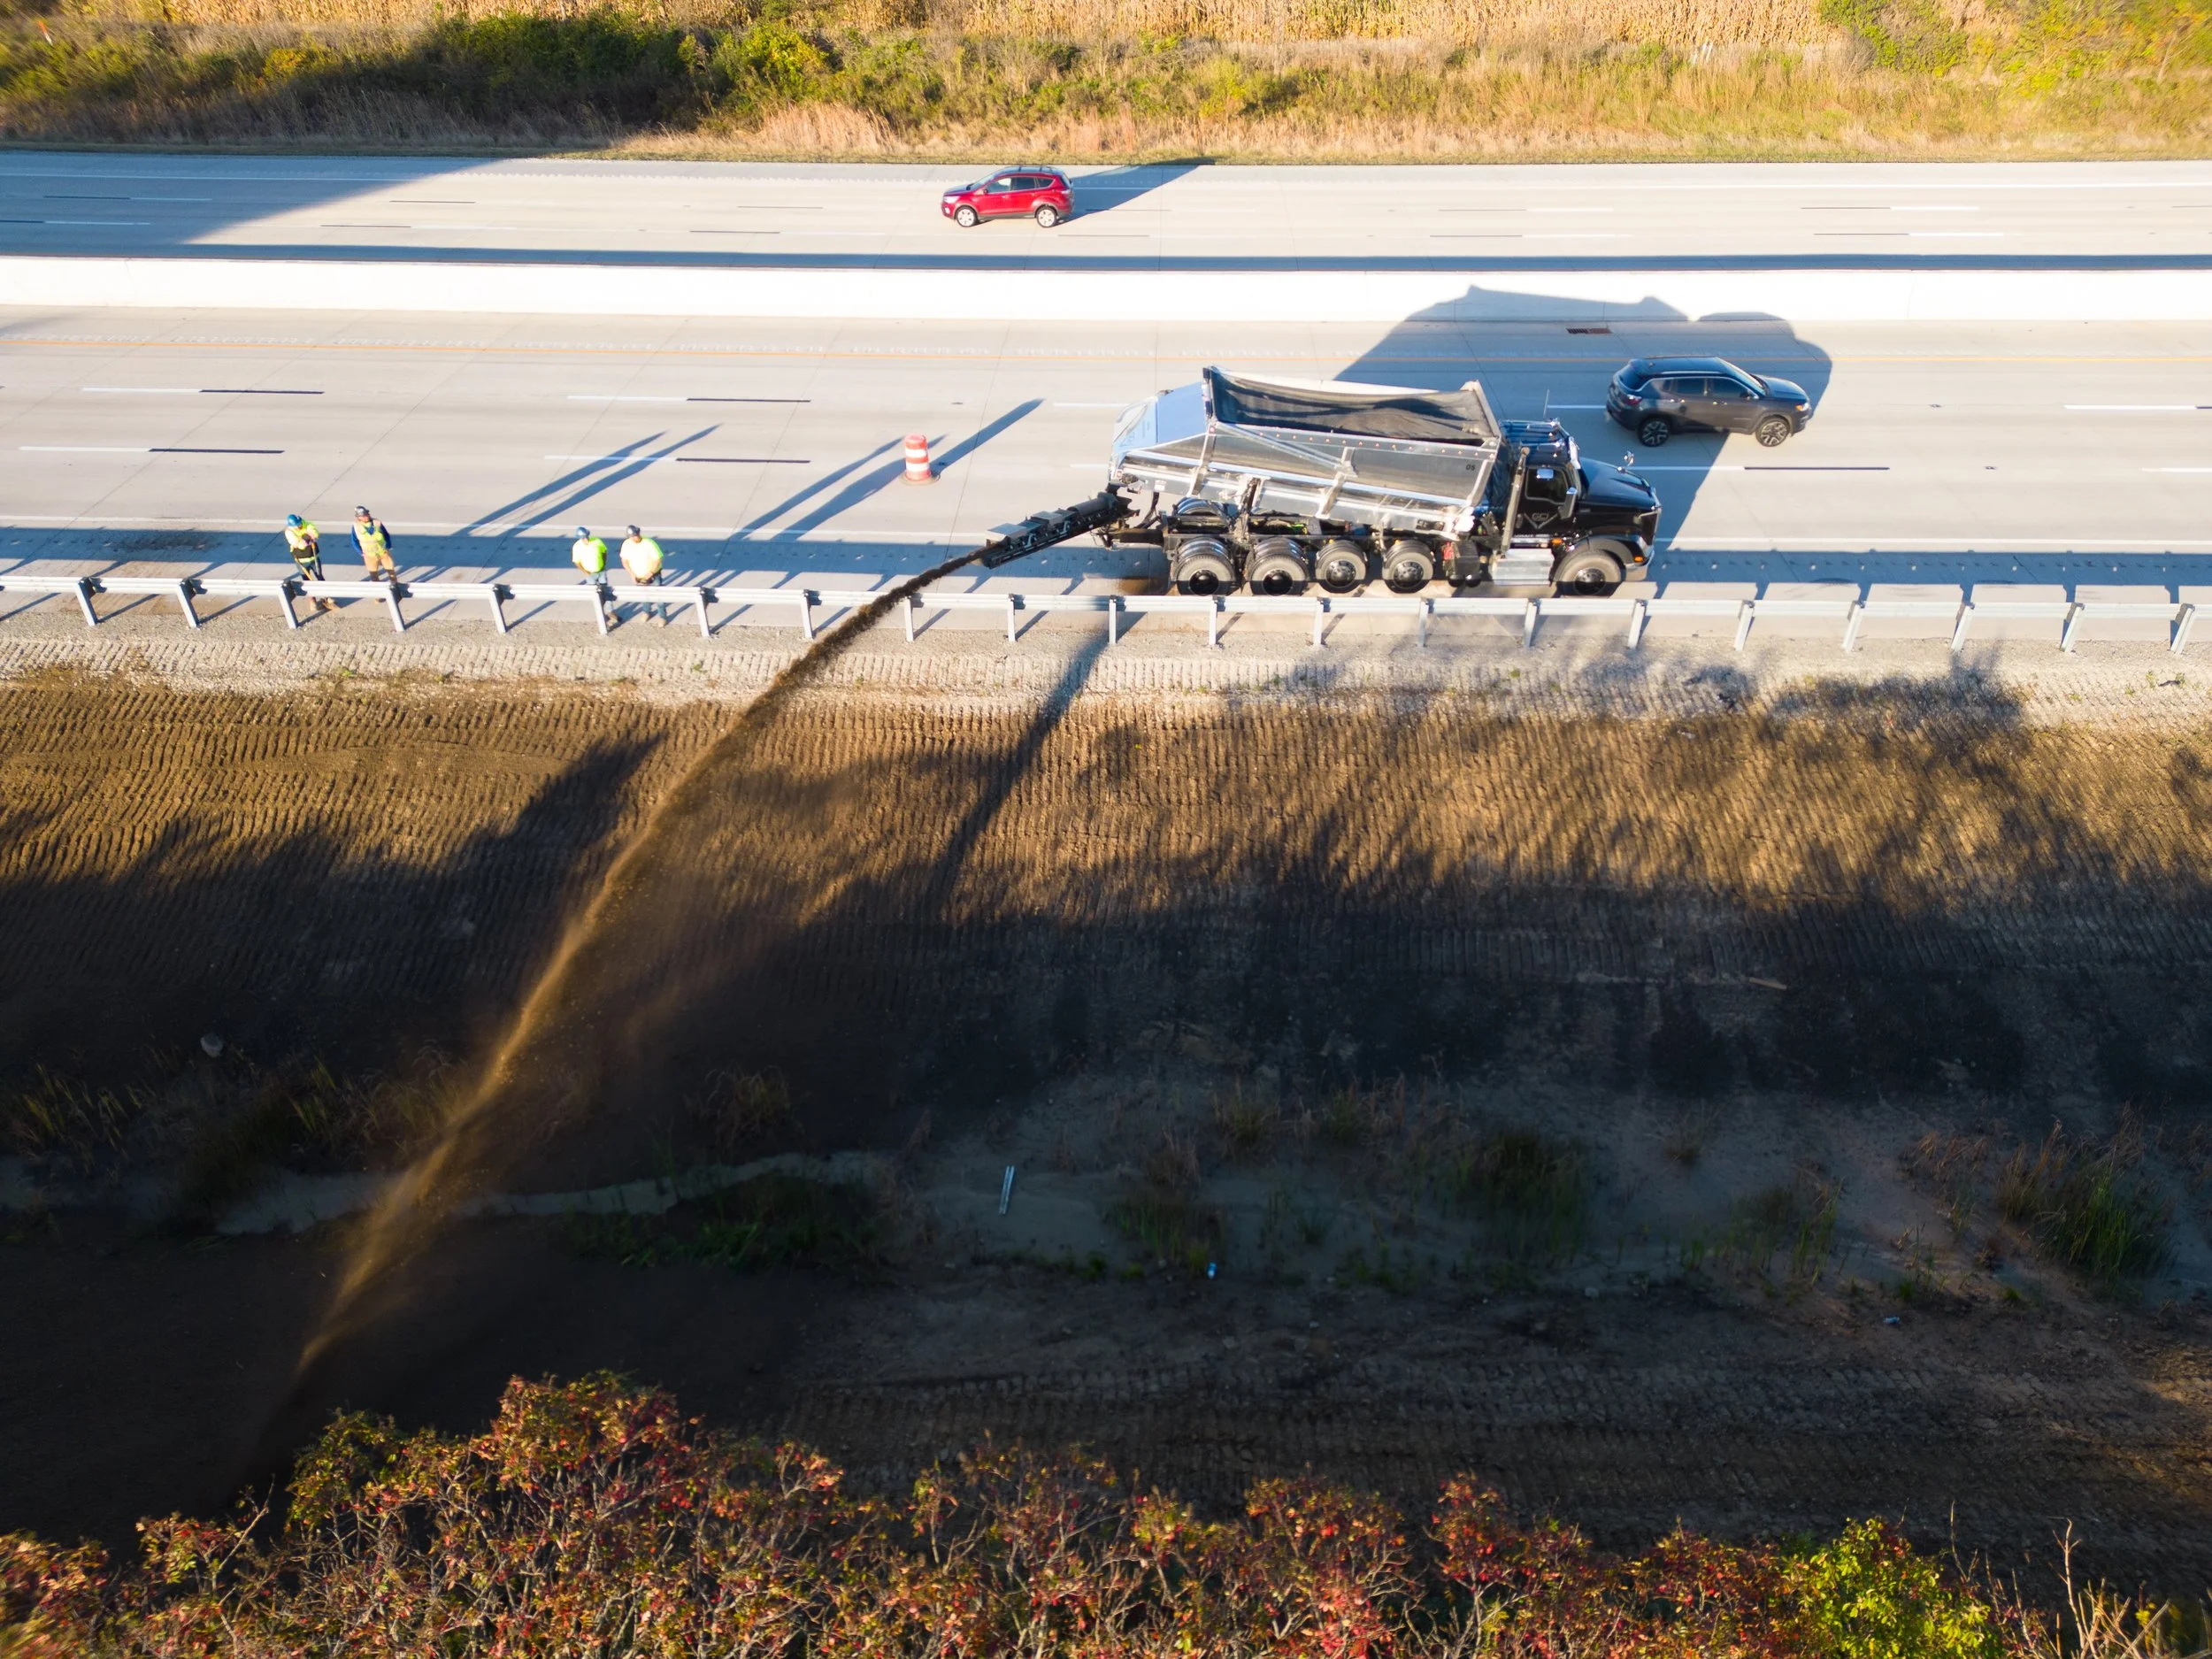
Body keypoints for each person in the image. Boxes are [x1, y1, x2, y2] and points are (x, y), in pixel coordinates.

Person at [283, 513, 334, 612]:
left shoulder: (306, 523)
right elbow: (299, 544)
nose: (300, 525)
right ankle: (313, 602)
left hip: (314, 557)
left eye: (300, 523)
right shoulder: (289, 532)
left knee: (320, 576)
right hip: (301, 561)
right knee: (307, 581)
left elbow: (315, 533)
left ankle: (327, 597)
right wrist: (308, 538)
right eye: (298, 525)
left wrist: (305, 539)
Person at [619, 523, 667, 626]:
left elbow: (658, 559)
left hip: (653, 575)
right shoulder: (627, 544)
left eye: (635, 536)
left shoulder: (649, 543)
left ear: (639, 533)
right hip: (638, 576)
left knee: (659, 596)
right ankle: (646, 612)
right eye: (631, 537)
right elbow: (625, 561)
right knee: (645, 596)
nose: (633, 538)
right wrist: (631, 574)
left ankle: (662, 616)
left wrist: (651, 572)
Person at [571, 525, 612, 626]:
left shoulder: (597, 541)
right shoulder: (577, 546)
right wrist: (586, 573)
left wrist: (603, 564)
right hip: (590, 574)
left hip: (601, 571)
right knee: (595, 594)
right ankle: (601, 613)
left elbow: (604, 552)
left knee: (606, 592)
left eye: (586, 537)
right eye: (583, 538)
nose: (585, 539)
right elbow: (577, 562)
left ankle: (610, 611)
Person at [351, 506, 396, 580]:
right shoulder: (356, 526)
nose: (366, 517)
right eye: (363, 516)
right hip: (369, 555)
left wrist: (388, 546)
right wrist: (361, 553)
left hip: (383, 553)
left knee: (391, 573)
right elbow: (354, 541)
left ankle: (395, 588)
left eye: (367, 514)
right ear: (359, 518)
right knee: (374, 576)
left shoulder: (377, 523)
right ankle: (378, 590)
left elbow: (386, 535)